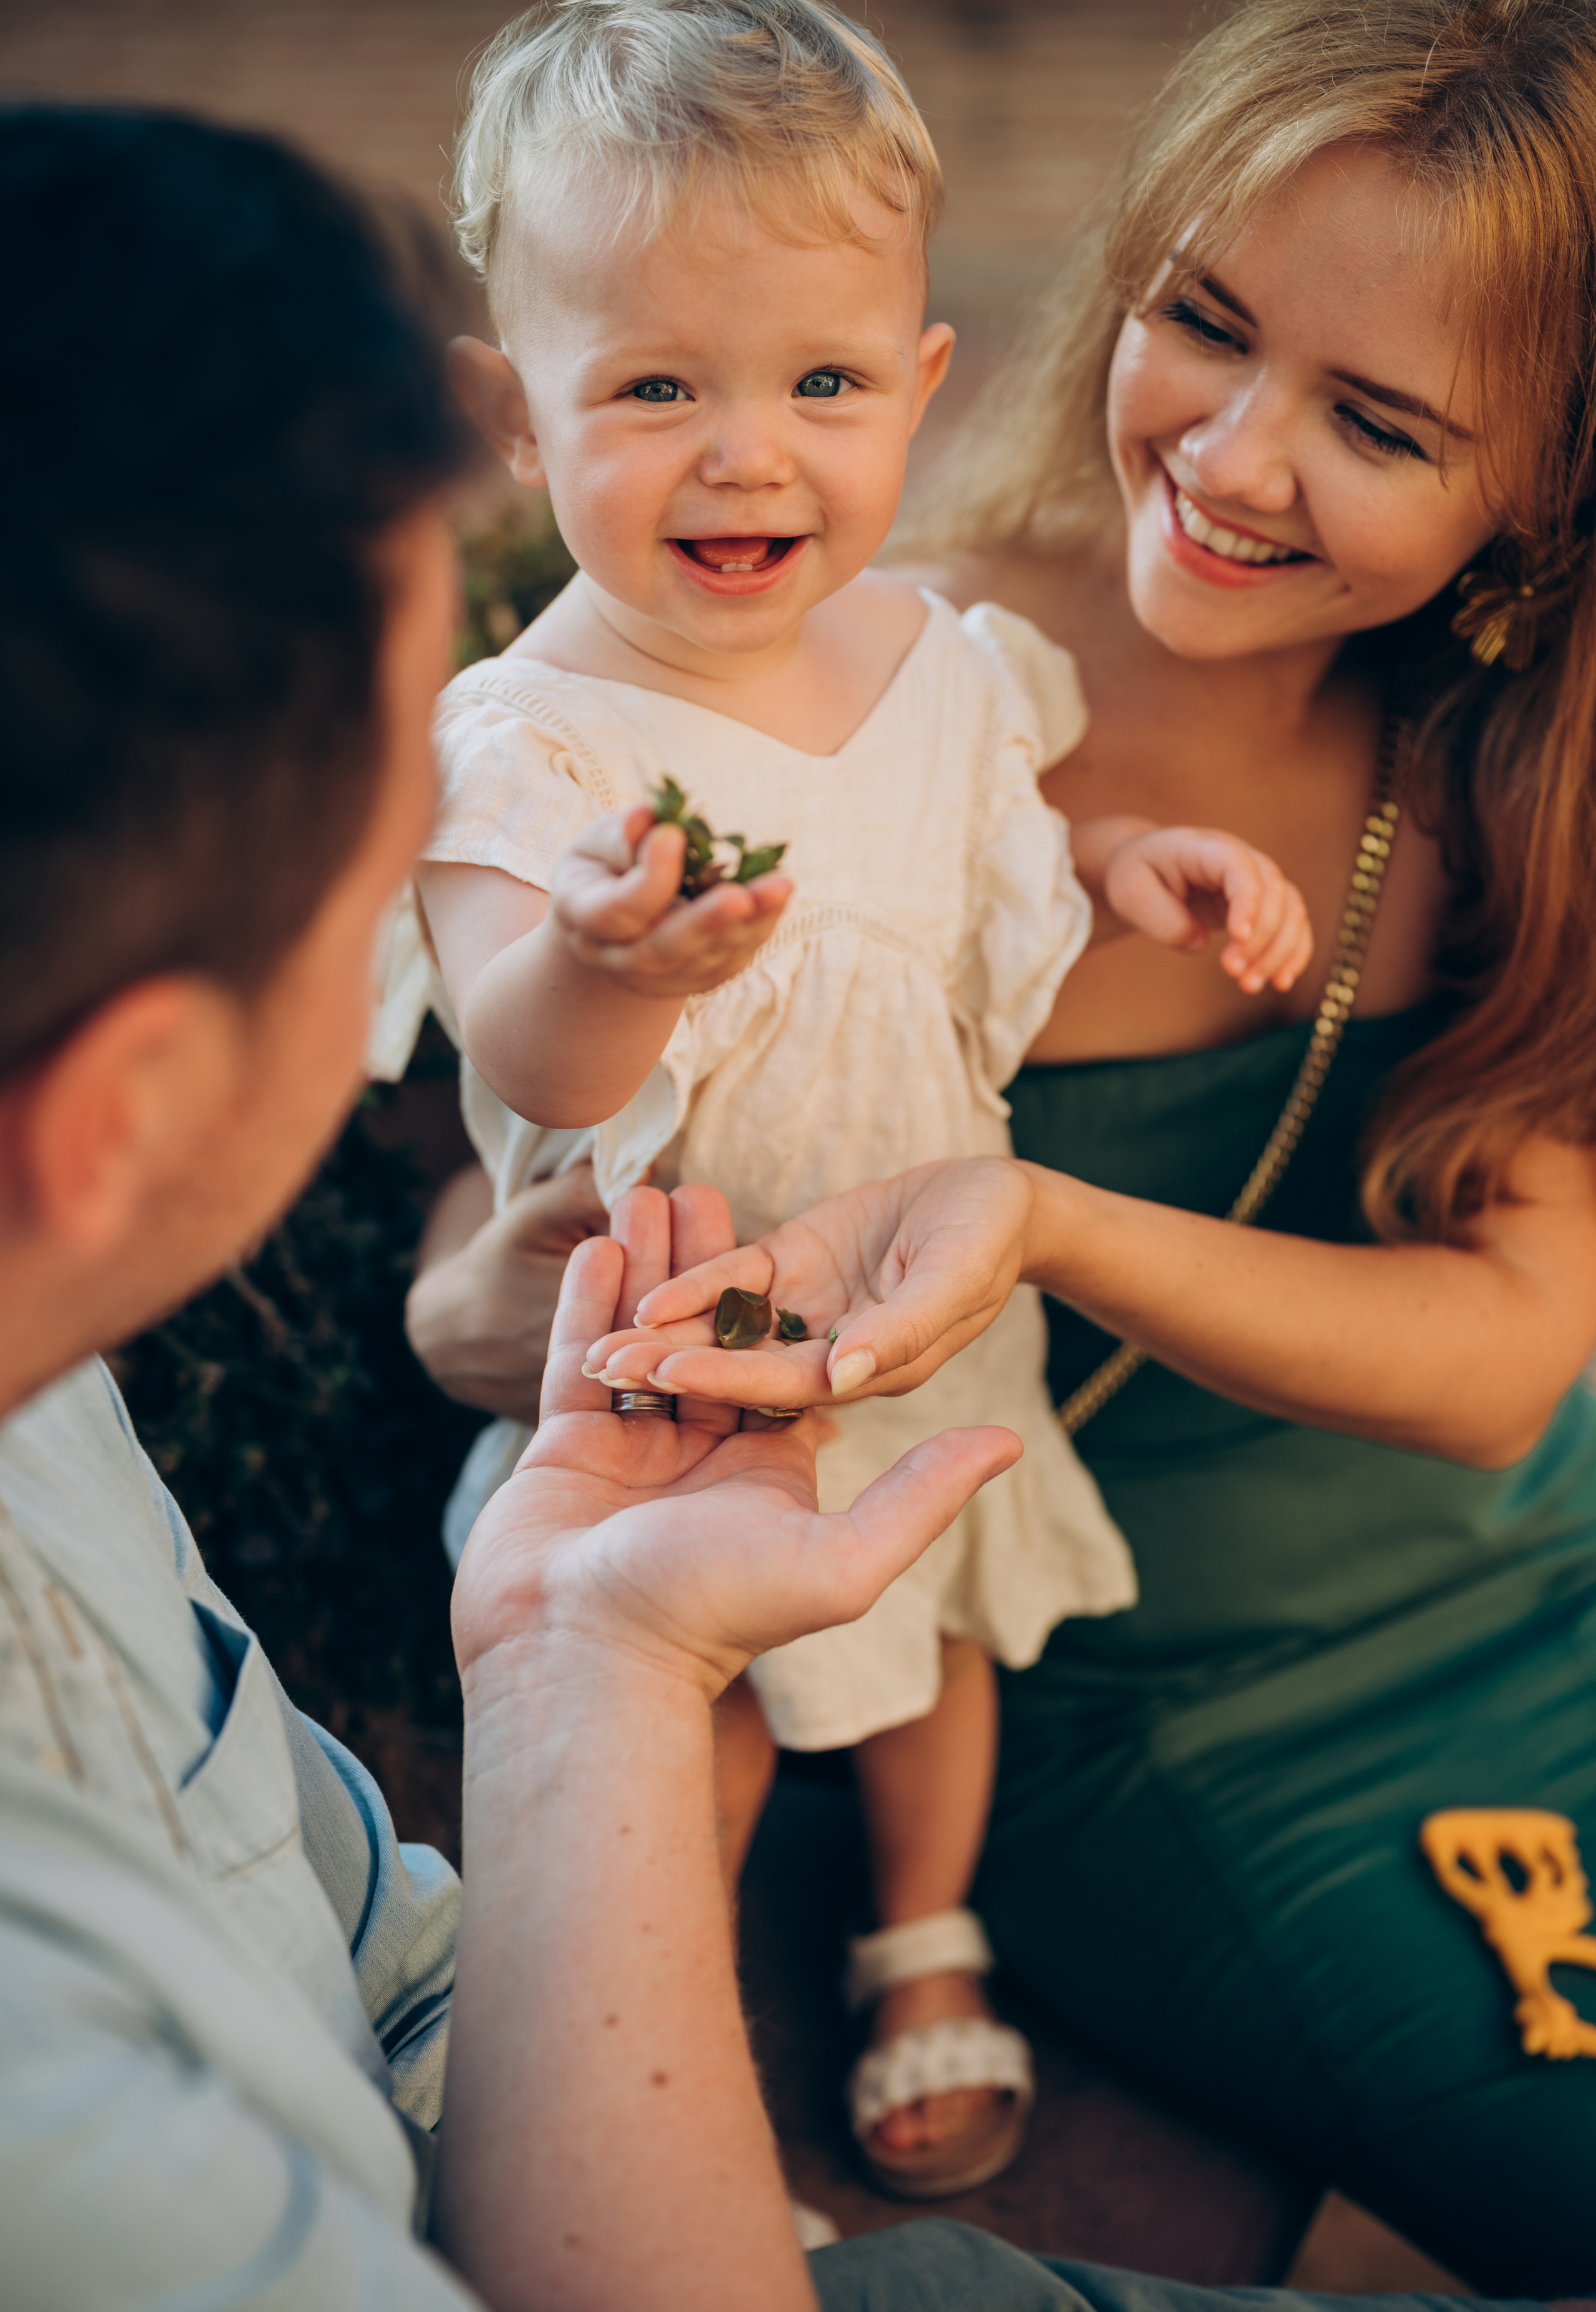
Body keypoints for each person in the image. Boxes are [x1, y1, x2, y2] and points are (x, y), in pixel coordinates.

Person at [575, 0, 1596, 2301]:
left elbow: (1504, 1364)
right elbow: (555, 1160)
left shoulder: (1524, 771)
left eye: (1380, 421)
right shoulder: (855, 661)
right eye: (1201, 323)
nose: (1232, 457)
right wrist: (491, 1293)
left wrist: (1036, 1213)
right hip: (1145, 1686)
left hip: (1553, 1570)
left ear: (1541, 496)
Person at [0, 98, 1016, 2312]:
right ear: (130, 1113)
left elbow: (379, 1962)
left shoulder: (38, 1388)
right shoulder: (61, 2183)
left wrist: (573, 1662)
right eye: (383, 875)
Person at [375, 0, 1313, 2199]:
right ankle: (646, 2029)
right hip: (671, 1358)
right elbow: (519, 1044)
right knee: (669, 1721)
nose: (747, 457)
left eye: (816, 382)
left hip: (921, 1288)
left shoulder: (946, 660)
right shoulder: (535, 749)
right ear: (514, 420)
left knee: (934, 1648)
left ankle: (920, 1930)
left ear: (921, 383)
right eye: (654, 389)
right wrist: (604, 968)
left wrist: (1117, 869)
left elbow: (983, 847)